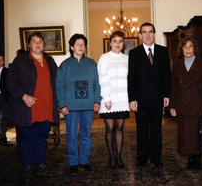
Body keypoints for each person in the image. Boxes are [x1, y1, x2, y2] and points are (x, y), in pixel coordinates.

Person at [7, 32, 59, 182]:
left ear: (43, 44)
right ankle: (28, 166)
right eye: (34, 41)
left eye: (40, 41)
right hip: (27, 108)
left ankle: (40, 164)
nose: (37, 44)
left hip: (45, 106)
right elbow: (11, 82)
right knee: (26, 138)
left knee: (42, 138)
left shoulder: (49, 60)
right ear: (29, 45)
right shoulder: (20, 61)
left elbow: (56, 82)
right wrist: (23, 96)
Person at [56, 33, 101, 176]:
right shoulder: (64, 65)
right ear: (71, 46)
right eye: (78, 44)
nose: (81, 47)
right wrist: (62, 104)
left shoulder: (91, 63)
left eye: (83, 44)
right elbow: (59, 86)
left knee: (86, 135)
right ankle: (73, 163)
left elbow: (97, 84)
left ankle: (84, 161)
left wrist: (97, 101)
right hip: (71, 108)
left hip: (88, 106)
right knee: (71, 136)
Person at [128, 22, 171, 169]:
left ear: (154, 34)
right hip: (141, 100)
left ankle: (156, 158)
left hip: (158, 98)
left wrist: (167, 94)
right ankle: (142, 159)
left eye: (150, 32)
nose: (147, 35)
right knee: (142, 131)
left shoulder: (163, 51)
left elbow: (167, 75)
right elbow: (131, 78)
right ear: (140, 35)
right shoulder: (134, 53)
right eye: (144, 32)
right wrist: (132, 98)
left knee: (156, 130)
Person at [170, 37, 202, 170]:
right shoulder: (177, 65)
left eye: (190, 46)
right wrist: (172, 105)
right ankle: (190, 159)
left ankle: (197, 160)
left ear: (195, 49)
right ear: (181, 49)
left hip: (197, 105)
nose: (188, 49)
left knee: (196, 134)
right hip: (182, 106)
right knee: (185, 134)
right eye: (185, 46)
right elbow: (174, 87)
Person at [97, 31, 130, 169]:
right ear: (110, 43)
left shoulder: (127, 58)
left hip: (122, 98)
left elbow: (130, 79)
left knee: (120, 128)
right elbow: (102, 78)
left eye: (120, 41)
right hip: (108, 99)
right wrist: (107, 97)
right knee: (110, 128)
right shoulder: (104, 58)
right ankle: (111, 157)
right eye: (115, 41)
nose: (117, 43)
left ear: (123, 43)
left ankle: (119, 156)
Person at [0, 54, 10, 146]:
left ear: (3, 62)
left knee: (3, 118)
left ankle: (3, 137)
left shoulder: (7, 72)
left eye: (0, 60)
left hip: (4, 97)